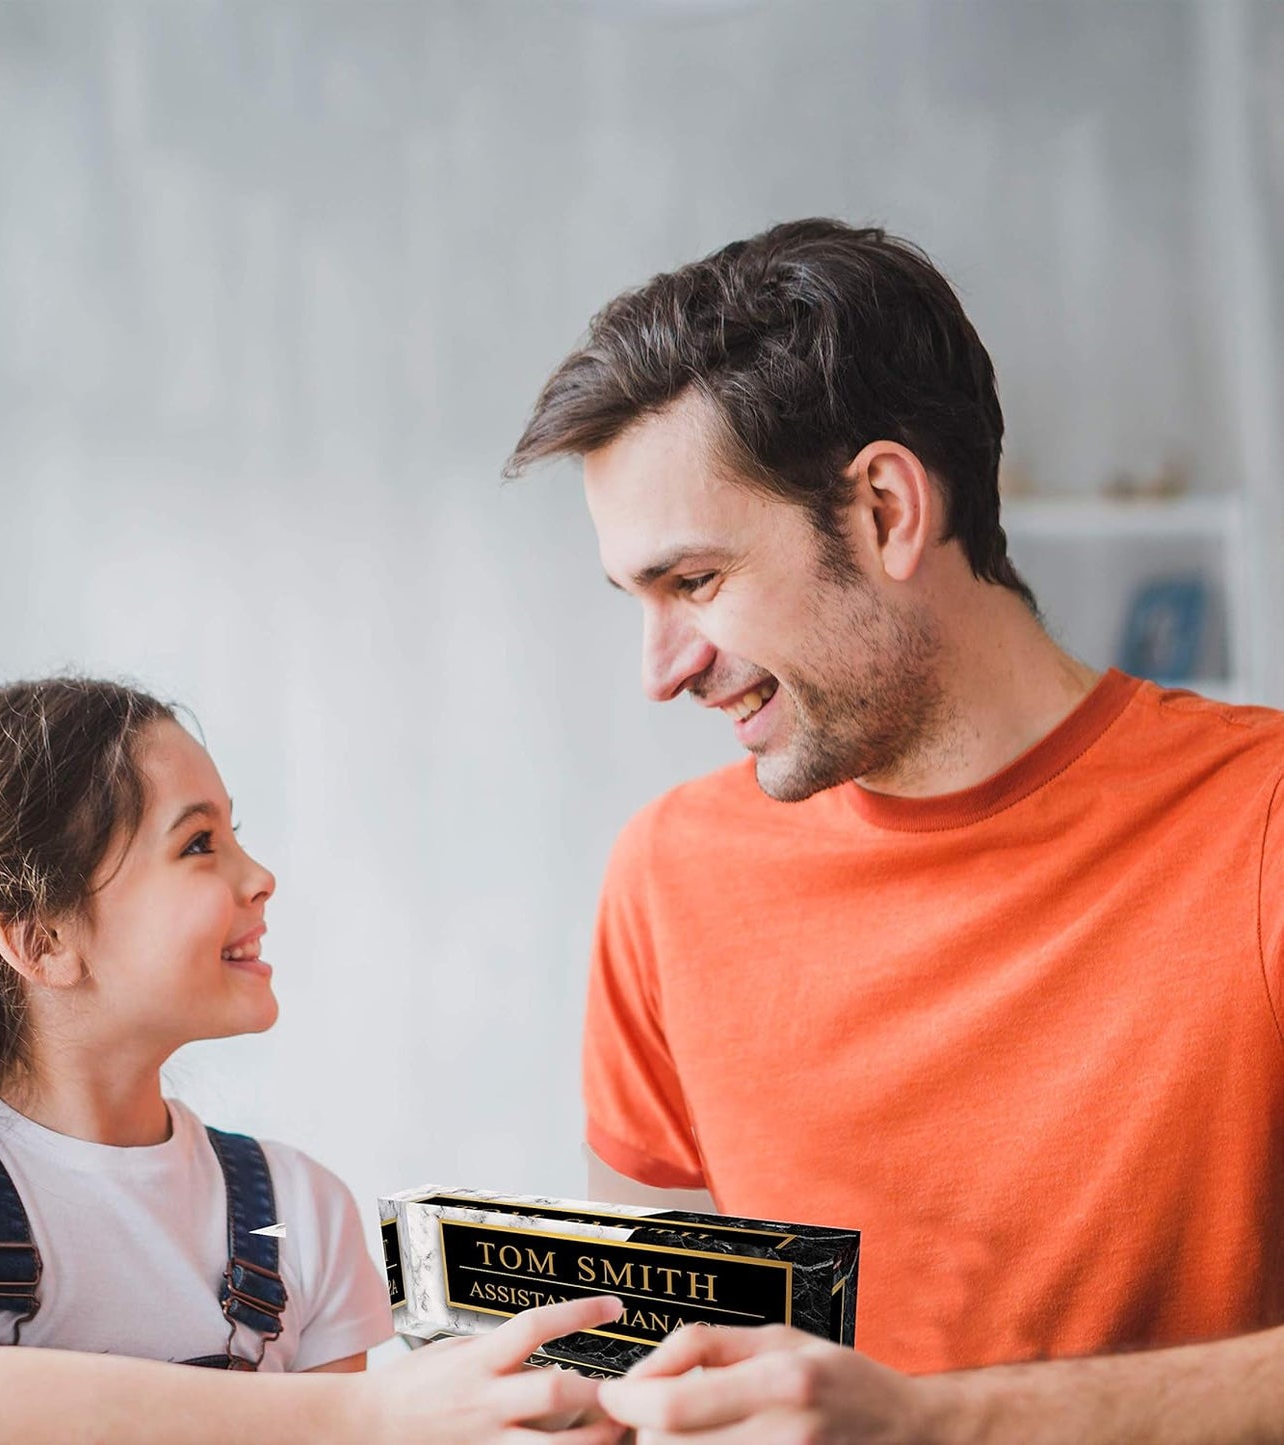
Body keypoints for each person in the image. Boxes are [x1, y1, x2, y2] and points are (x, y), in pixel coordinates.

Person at [505, 220, 1284, 1442]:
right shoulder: (663, 876)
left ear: (882, 509)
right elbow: (664, 1348)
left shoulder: (1261, 823)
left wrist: (933, 1421)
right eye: (636, 600)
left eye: (693, 583)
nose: (658, 672)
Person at [0, 677, 624, 1445]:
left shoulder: (297, 1210)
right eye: (199, 843)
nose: (260, 878)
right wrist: (371, 1417)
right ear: (42, 939)